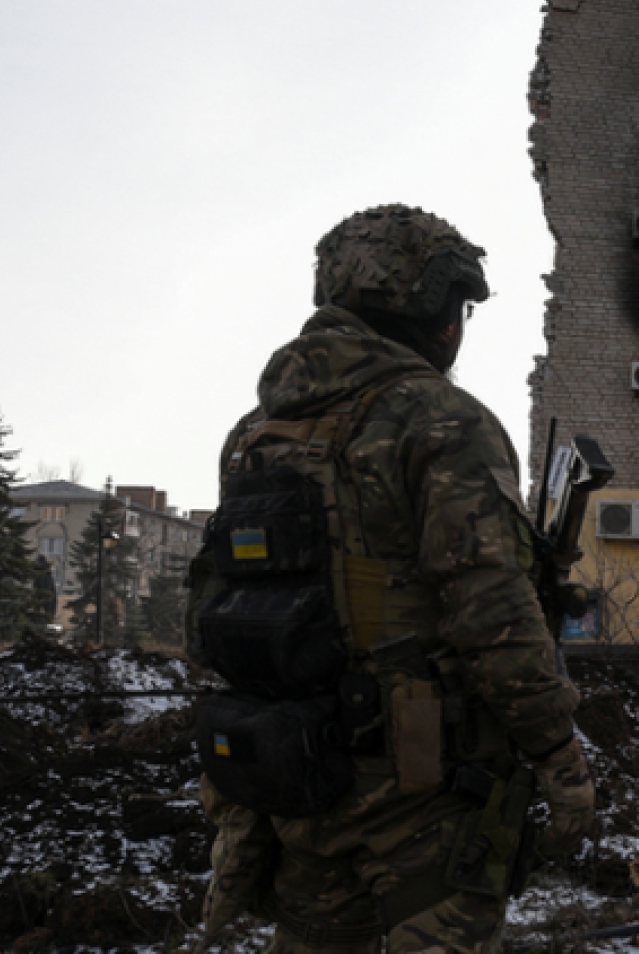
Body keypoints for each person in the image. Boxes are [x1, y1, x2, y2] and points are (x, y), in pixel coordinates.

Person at [186, 204, 594, 954]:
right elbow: (493, 616)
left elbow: (213, 613)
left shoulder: (252, 435)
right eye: (458, 309)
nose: (457, 329)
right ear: (434, 310)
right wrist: (559, 759)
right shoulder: (439, 420)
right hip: (420, 797)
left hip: (299, 771)